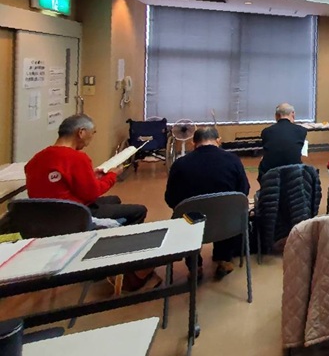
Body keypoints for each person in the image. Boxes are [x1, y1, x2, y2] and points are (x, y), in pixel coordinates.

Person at [24, 113, 147, 226]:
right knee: (139, 211)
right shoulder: (77, 158)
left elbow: (60, 184)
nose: (90, 140)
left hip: (44, 214)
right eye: (92, 133)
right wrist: (112, 175)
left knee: (115, 199)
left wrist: (92, 176)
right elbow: (91, 194)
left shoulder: (37, 158)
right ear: (81, 132)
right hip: (73, 213)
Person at [165, 126, 250, 279]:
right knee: (228, 209)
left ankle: (194, 266)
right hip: (226, 225)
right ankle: (224, 260)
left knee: (184, 215)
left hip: (192, 225)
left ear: (193, 143)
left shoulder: (180, 164)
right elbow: (243, 191)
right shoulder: (233, 160)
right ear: (219, 141)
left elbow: (171, 199)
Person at [258, 103, 307, 179]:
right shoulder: (302, 131)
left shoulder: (266, 132)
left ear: (276, 116)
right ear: (293, 114)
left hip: (271, 174)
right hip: (294, 173)